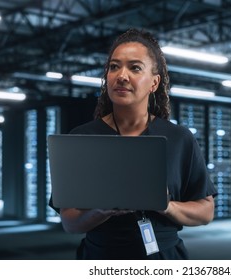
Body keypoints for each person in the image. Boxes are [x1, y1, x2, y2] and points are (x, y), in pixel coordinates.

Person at [50, 28, 217, 260]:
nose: (121, 75)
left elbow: (206, 212)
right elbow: (70, 223)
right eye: (114, 67)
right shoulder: (82, 138)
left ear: (154, 83)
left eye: (135, 68)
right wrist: (101, 210)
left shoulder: (179, 139)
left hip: (163, 258)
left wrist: (166, 205)